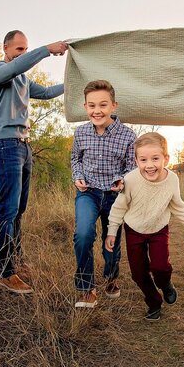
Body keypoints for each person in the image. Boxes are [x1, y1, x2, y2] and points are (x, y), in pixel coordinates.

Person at [0, 30, 68, 293]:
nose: (21, 53)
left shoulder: (23, 79)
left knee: (19, 210)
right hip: (5, 146)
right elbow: (19, 65)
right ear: (6, 48)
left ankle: (16, 261)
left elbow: (47, 92)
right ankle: (5, 271)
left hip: (24, 147)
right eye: (18, 49)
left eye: (25, 49)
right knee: (7, 210)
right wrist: (46, 49)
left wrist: (73, 83)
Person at [105, 132, 184, 321]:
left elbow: (178, 206)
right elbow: (118, 208)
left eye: (155, 158)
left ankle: (166, 283)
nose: (150, 165)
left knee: (160, 267)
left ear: (166, 159)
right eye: (143, 159)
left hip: (159, 229)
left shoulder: (172, 180)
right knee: (138, 273)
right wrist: (112, 231)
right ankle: (154, 302)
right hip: (134, 230)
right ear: (136, 160)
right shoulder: (130, 180)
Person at [70, 80, 136, 308]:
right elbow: (75, 159)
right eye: (91, 105)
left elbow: (131, 166)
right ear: (85, 106)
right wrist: (77, 175)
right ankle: (86, 288)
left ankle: (110, 278)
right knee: (83, 235)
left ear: (113, 106)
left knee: (112, 241)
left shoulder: (127, 135)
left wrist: (123, 179)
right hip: (88, 192)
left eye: (103, 105)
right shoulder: (81, 132)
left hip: (114, 195)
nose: (97, 110)